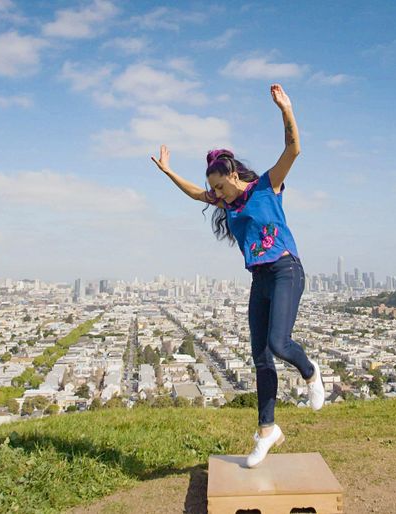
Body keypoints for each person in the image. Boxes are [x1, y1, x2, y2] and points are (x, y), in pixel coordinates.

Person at [150, 83, 325, 468]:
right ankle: (267, 431)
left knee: (280, 344)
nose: (217, 194)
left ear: (231, 173)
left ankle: (311, 373)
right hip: (259, 279)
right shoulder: (220, 198)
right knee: (261, 357)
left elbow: (294, 149)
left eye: (220, 186)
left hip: (285, 270)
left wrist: (286, 109)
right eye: (214, 189)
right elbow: (195, 194)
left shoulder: (267, 185)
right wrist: (168, 172)